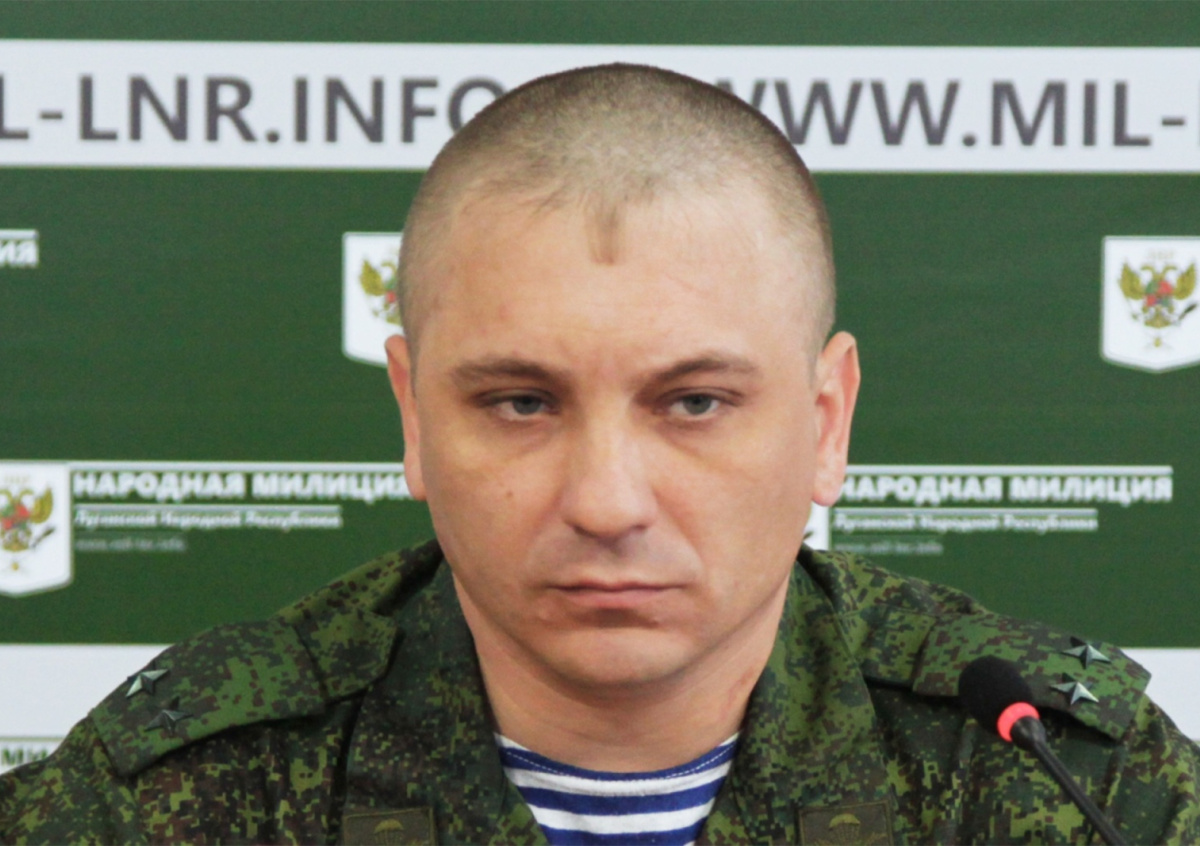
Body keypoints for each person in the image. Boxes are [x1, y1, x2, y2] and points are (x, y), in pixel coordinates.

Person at [2, 63, 1198, 846]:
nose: (607, 502)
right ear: (413, 417)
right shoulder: (170, 798)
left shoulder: (1063, 784)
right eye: (522, 403)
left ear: (827, 422)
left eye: (695, 403)